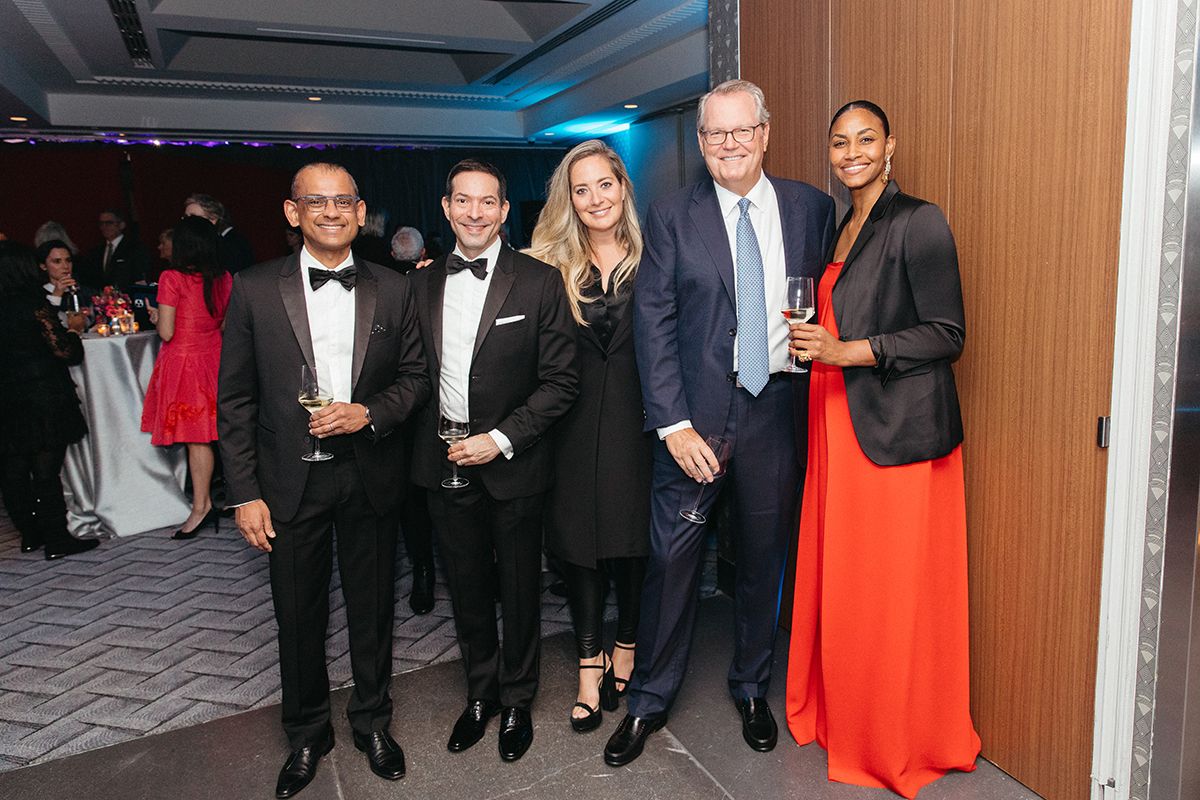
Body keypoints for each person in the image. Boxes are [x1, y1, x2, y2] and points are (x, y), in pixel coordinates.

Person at [604, 79, 835, 767]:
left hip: (776, 413)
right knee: (671, 564)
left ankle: (751, 688)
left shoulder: (812, 210)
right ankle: (648, 699)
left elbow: (834, 297)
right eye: (715, 134)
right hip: (696, 421)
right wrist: (673, 426)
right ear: (701, 143)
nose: (729, 144)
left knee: (764, 560)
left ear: (765, 133)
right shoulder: (672, 215)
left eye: (741, 130)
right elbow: (655, 322)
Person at [783, 100, 980, 797]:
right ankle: (850, 715)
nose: (852, 152)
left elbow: (947, 333)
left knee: (888, 591)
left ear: (891, 145)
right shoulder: (845, 223)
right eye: (840, 142)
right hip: (837, 418)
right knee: (849, 583)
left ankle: (898, 734)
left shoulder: (917, 220)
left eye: (866, 139)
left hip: (895, 435)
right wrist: (819, 348)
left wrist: (847, 350)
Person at [217, 162, 430, 798]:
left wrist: (371, 412)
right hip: (287, 482)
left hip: (370, 474)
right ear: (293, 212)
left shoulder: (395, 290)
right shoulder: (253, 288)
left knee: (372, 609)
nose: (331, 212)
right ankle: (307, 733)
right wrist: (245, 492)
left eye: (343, 202)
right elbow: (234, 402)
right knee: (297, 613)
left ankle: (372, 722)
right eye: (317, 202)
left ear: (362, 213)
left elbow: (415, 379)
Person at [408, 159, 578, 763]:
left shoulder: (538, 281)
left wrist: (502, 438)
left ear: (505, 211)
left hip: (513, 461)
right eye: (463, 201)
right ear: (448, 209)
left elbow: (561, 382)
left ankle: (518, 700)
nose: (475, 212)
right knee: (467, 584)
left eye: (488, 202)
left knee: (518, 586)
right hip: (443, 462)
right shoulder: (420, 285)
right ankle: (480, 695)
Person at [528, 139, 651, 733]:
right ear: (569, 200)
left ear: (623, 187)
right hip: (569, 427)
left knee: (630, 541)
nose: (596, 197)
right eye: (582, 189)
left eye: (605, 183)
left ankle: (625, 645)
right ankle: (586, 661)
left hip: (638, 420)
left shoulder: (657, 256)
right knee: (577, 544)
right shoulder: (546, 265)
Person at [0, 242, 98, 560]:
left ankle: (30, 534)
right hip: (41, 393)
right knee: (45, 468)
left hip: (7, 397)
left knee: (13, 468)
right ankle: (57, 538)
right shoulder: (31, 302)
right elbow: (63, 351)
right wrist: (72, 329)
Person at [140, 216, 232, 540]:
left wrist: (158, 314)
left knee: (197, 439)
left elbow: (166, 332)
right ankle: (229, 499)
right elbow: (222, 324)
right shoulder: (224, 278)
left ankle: (201, 506)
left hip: (185, 362)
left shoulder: (171, 278)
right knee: (222, 433)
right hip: (217, 358)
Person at [78, 209, 151, 290]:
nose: (104, 227)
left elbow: (139, 277)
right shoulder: (95, 251)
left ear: (121, 225)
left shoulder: (135, 248)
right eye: (101, 223)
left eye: (109, 223)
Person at [184, 192, 255, 274]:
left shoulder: (232, 245)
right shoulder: (208, 244)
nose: (187, 223)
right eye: (185, 217)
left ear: (213, 219)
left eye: (193, 217)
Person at [36, 240, 88, 332]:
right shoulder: (37, 294)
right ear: (43, 266)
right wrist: (56, 295)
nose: (65, 266)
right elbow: (44, 325)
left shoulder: (82, 291)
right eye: (57, 261)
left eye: (68, 260)